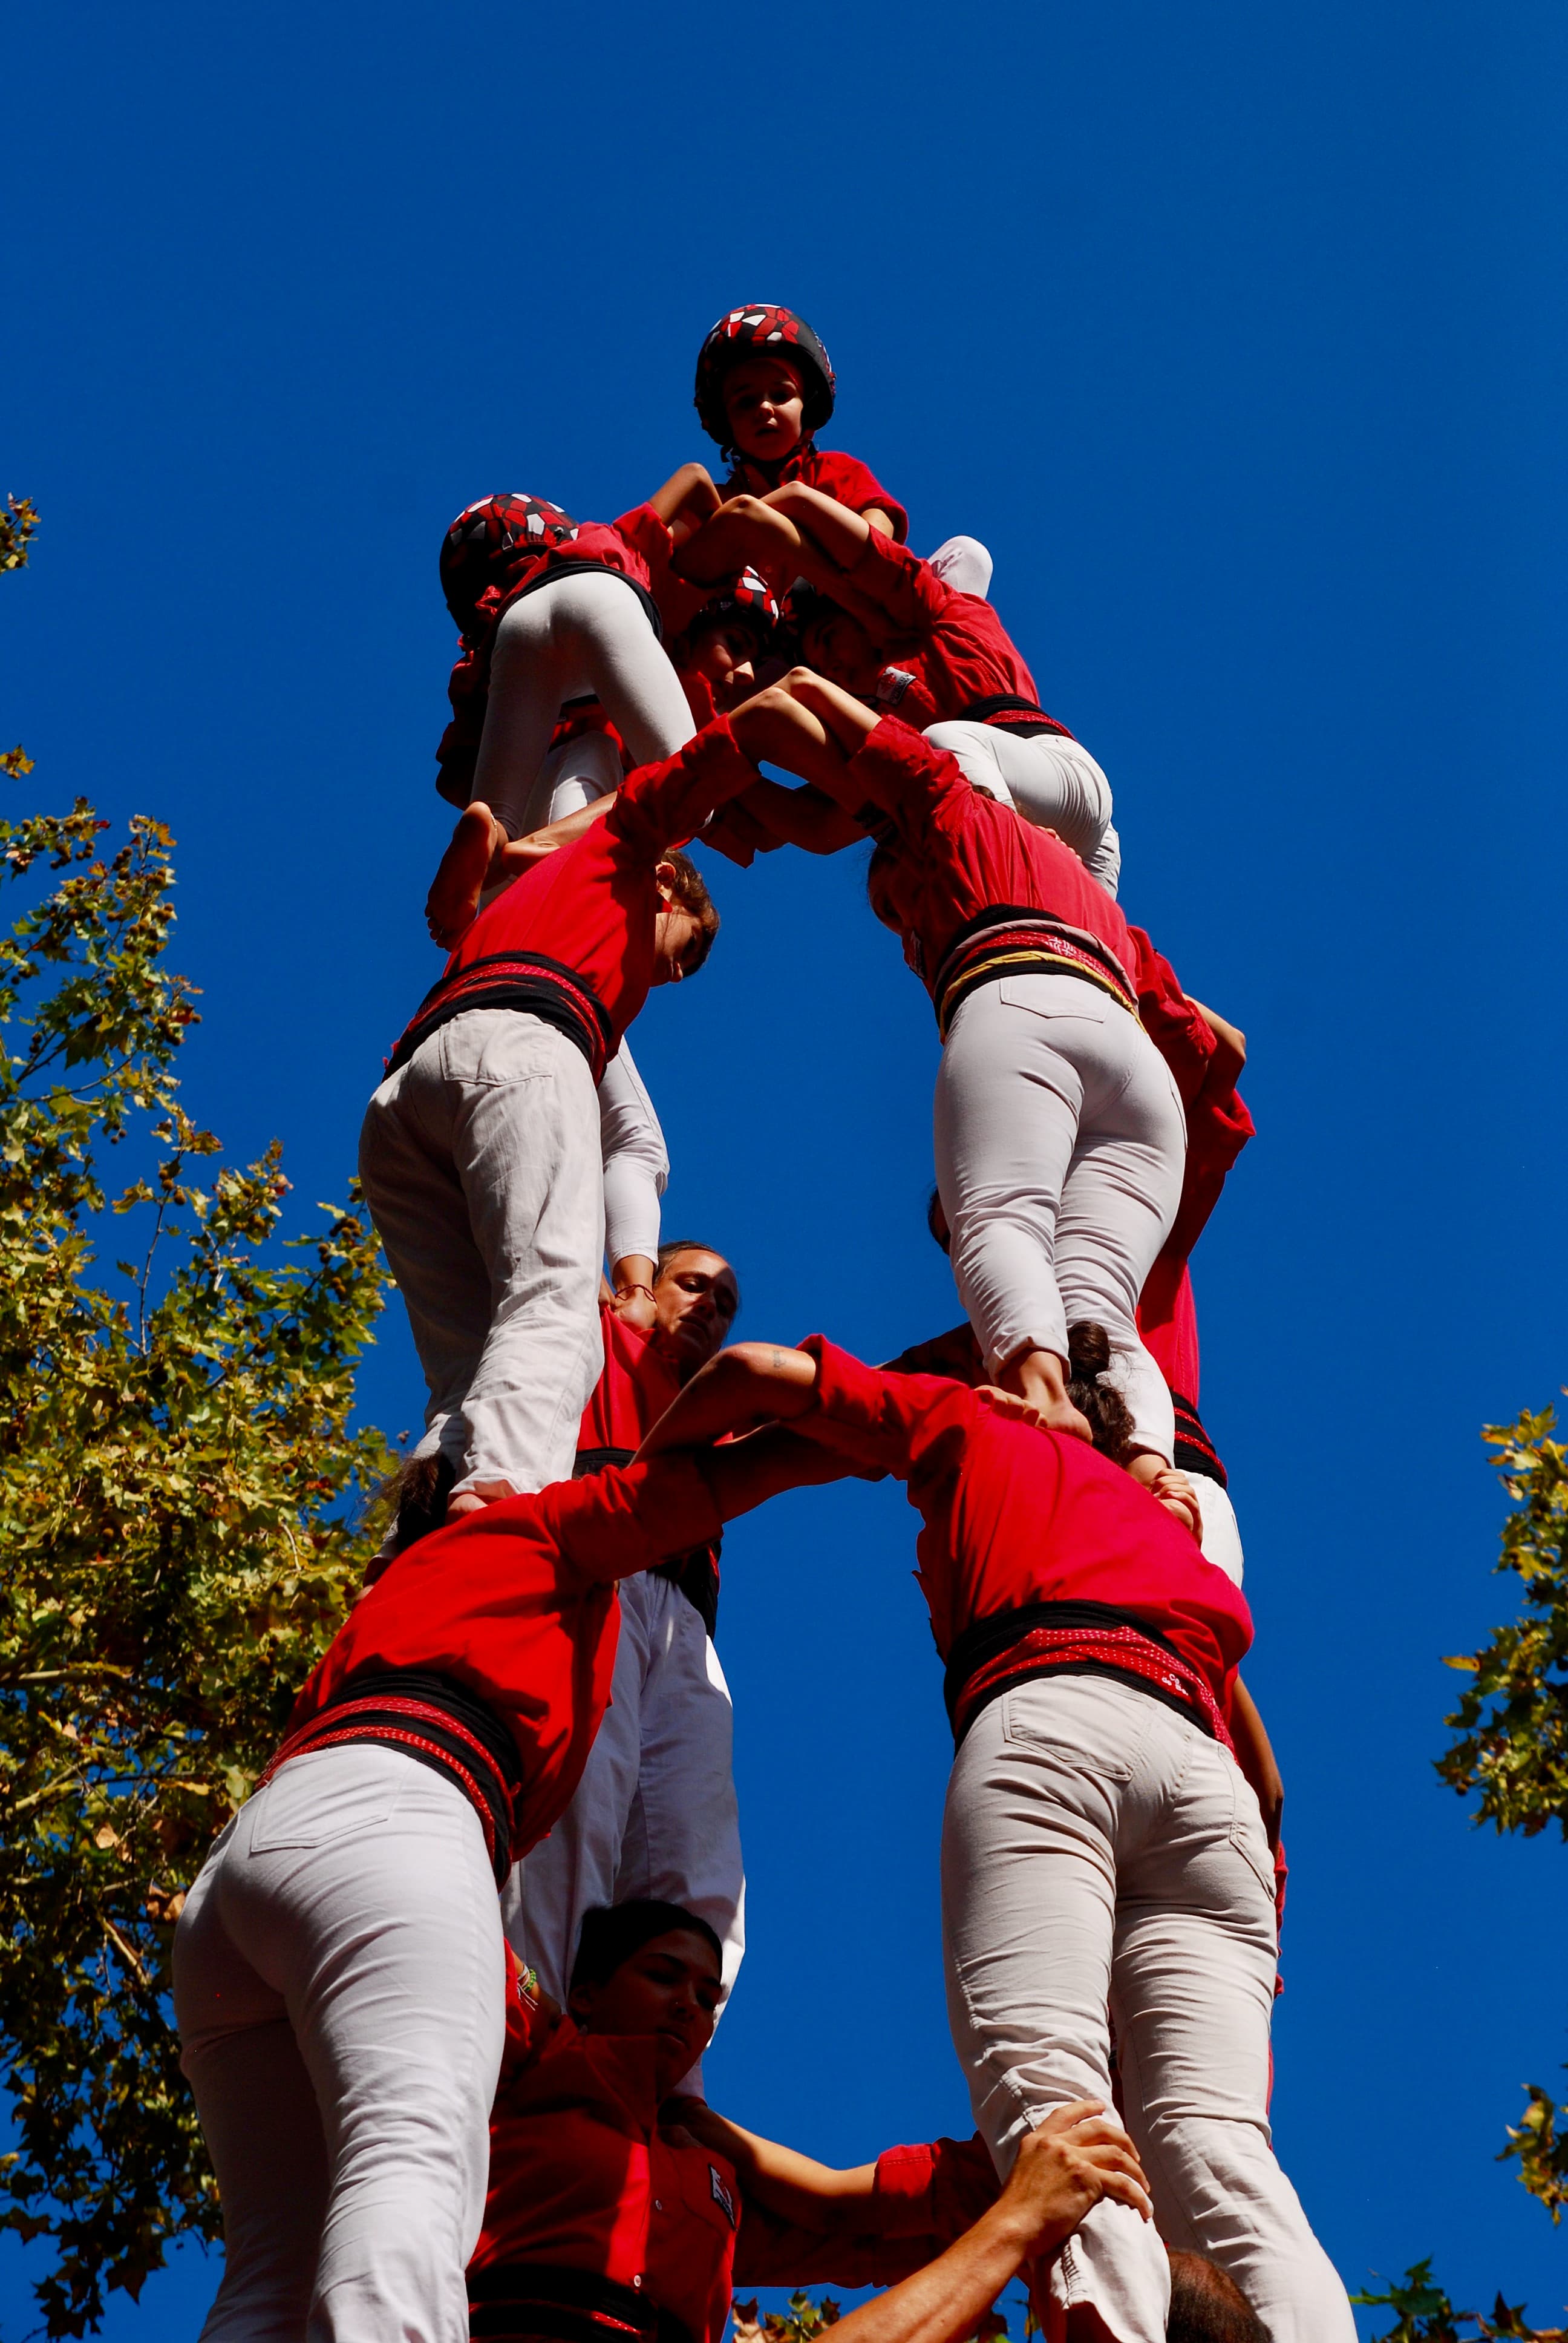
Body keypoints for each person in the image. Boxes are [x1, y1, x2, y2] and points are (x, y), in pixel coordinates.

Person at [636, 1339, 1356, 2343]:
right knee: (1217, 2142)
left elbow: (749, 1372)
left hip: (1051, 1719)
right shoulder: (1154, 1521)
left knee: (1055, 2105)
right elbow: (1268, 1786)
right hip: (1207, 1778)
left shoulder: (972, 1421)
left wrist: (636, 1496)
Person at [172, 1362, 847, 2343]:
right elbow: (694, 1488)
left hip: (247, 1869)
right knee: (411, 2165)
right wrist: (884, 1429)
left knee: (274, 2265)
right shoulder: (532, 1532)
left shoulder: (389, 1587)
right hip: (403, 1816)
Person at [706, 671, 1182, 1461]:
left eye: (890, 899)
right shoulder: (1092, 889)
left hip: (1020, 1001)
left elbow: (817, 705)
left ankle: (1042, 1396)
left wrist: (722, 738)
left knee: (998, 1217)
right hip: (1138, 1067)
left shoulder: (950, 809)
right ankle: (1151, 1464)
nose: (898, 925)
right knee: (1099, 1299)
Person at [363, 715, 759, 1523]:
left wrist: (507, 854)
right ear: (666, 886)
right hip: (523, 1048)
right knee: (555, 1302)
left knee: (468, 1365)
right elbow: (640, 794)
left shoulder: (527, 905)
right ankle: (500, 1500)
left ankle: (418, 1534)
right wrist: (756, 734)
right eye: (686, 949)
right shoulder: (625, 865)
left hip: (406, 1092)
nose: (675, 975)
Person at [471, 1898, 1153, 2343]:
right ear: (586, 1994)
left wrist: (1112, 2084)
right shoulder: (540, 2060)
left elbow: (865, 2229)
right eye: (662, 1975)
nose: (688, 2004)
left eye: (707, 1996)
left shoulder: (709, 2179)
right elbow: (457, 1921)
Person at [506, 1242, 751, 2062]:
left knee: (699, 1852)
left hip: (684, 1622)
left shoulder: (718, 1405)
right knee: (581, 1806)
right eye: (695, 1284)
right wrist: (627, 1286)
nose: (710, 1305)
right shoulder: (597, 1333)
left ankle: (669, 2076)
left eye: (726, 1301)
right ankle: (532, 2035)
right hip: (599, 1569)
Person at [674, 485, 1120, 894]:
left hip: (1053, 771)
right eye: (818, 663)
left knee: (942, 746)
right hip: (1053, 818)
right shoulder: (886, 734)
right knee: (1081, 943)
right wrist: (697, 737)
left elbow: (799, 502)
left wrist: (721, 558)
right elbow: (816, 828)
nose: (830, 666)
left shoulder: (939, 617)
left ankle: (1013, 856)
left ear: (859, 612)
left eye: (829, 638)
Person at [434, 467, 724, 859]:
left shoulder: (480, 648)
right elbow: (694, 475)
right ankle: (552, 841)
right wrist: (730, 555)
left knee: (498, 817)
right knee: (692, 786)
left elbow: (453, 778)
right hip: (598, 588)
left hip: (517, 628)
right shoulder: (604, 538)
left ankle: (487, 848)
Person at [693, 303, 907, 542]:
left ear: (808, 407)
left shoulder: (840, 474)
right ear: (725, 420)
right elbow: (670, 549)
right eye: (746, 402)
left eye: (780, 395)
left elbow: (880, 533)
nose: (764, 408)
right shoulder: (716, 505)